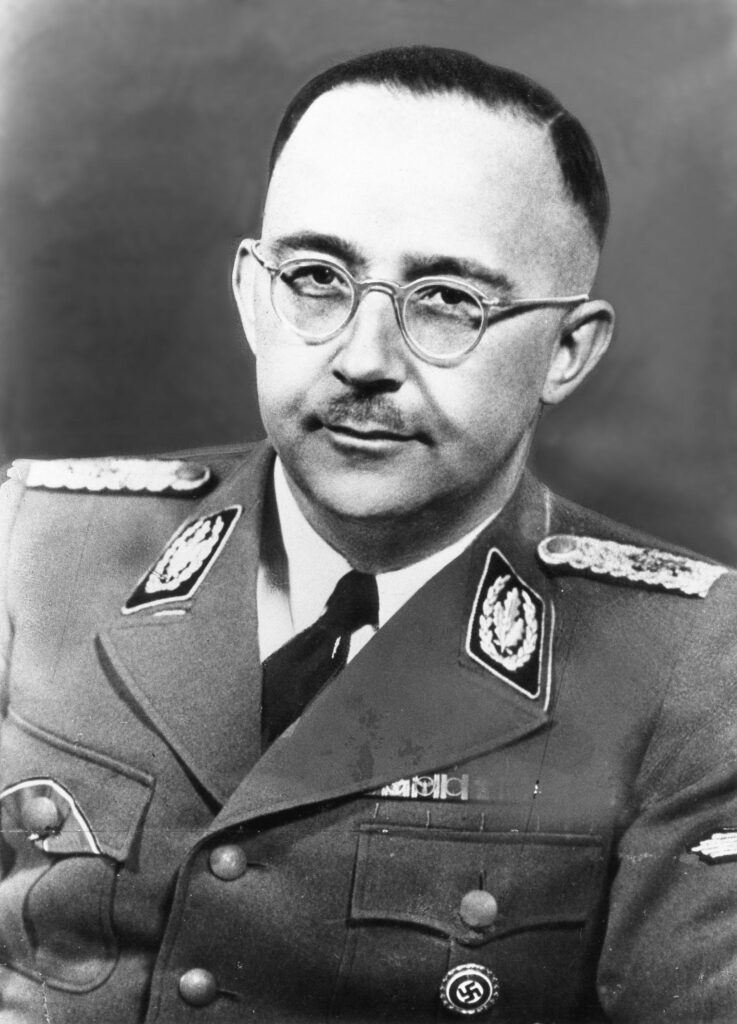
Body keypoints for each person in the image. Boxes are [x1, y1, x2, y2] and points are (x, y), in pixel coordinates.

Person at [0, 44, 736, 1024]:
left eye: (449, 300)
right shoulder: (33, 546)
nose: (363, 358)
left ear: (566, 350)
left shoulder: (692, 663)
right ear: (251, 294)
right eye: (315, 276)